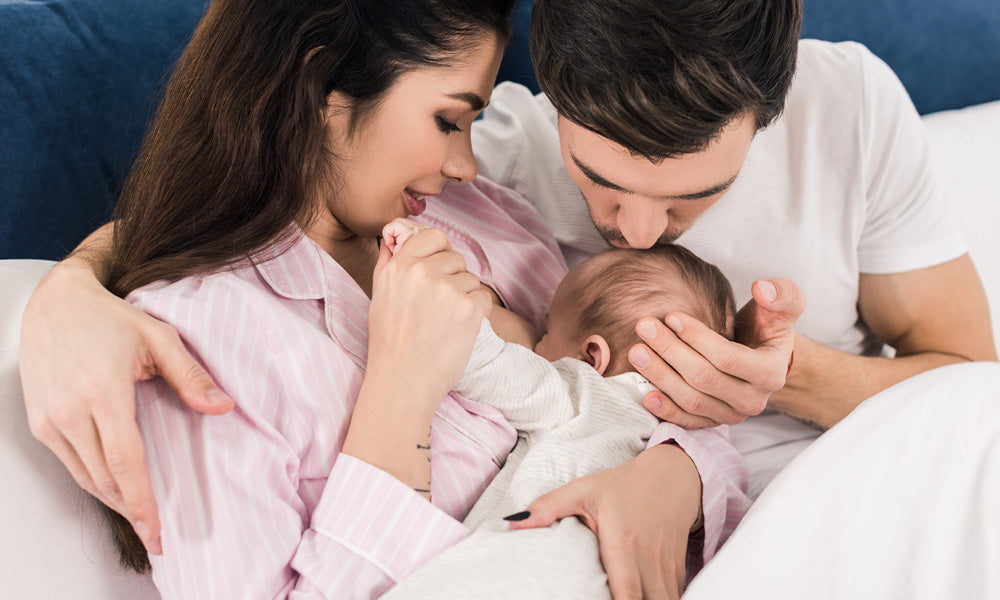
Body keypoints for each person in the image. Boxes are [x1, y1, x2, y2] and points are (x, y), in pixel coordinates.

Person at [19, 0, 995, 595]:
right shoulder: (488, 175)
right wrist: (66, 294)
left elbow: (597, 394)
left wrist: (696, 455)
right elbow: (220, 206)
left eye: (696, 195)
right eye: (603, 185)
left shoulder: (483, 217)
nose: (637, 232)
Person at [379, 218, 750, 598]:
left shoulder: (580, 390)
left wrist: (421, 268)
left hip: (527, 570)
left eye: (546, 334)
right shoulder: (692, 445)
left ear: (592, 356)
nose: (535, 346)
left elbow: (478, 359)